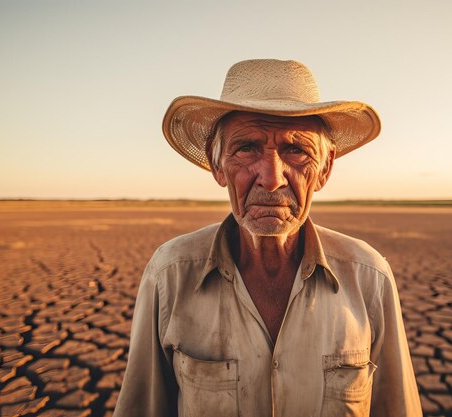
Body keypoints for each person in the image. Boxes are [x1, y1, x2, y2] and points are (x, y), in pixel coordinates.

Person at [114, 59, 422, 417]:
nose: (271, 178)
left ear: (325, 169)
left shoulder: (369, 276)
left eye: (296, 150)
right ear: (217, 166)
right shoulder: (170, 274)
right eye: (246, 148)